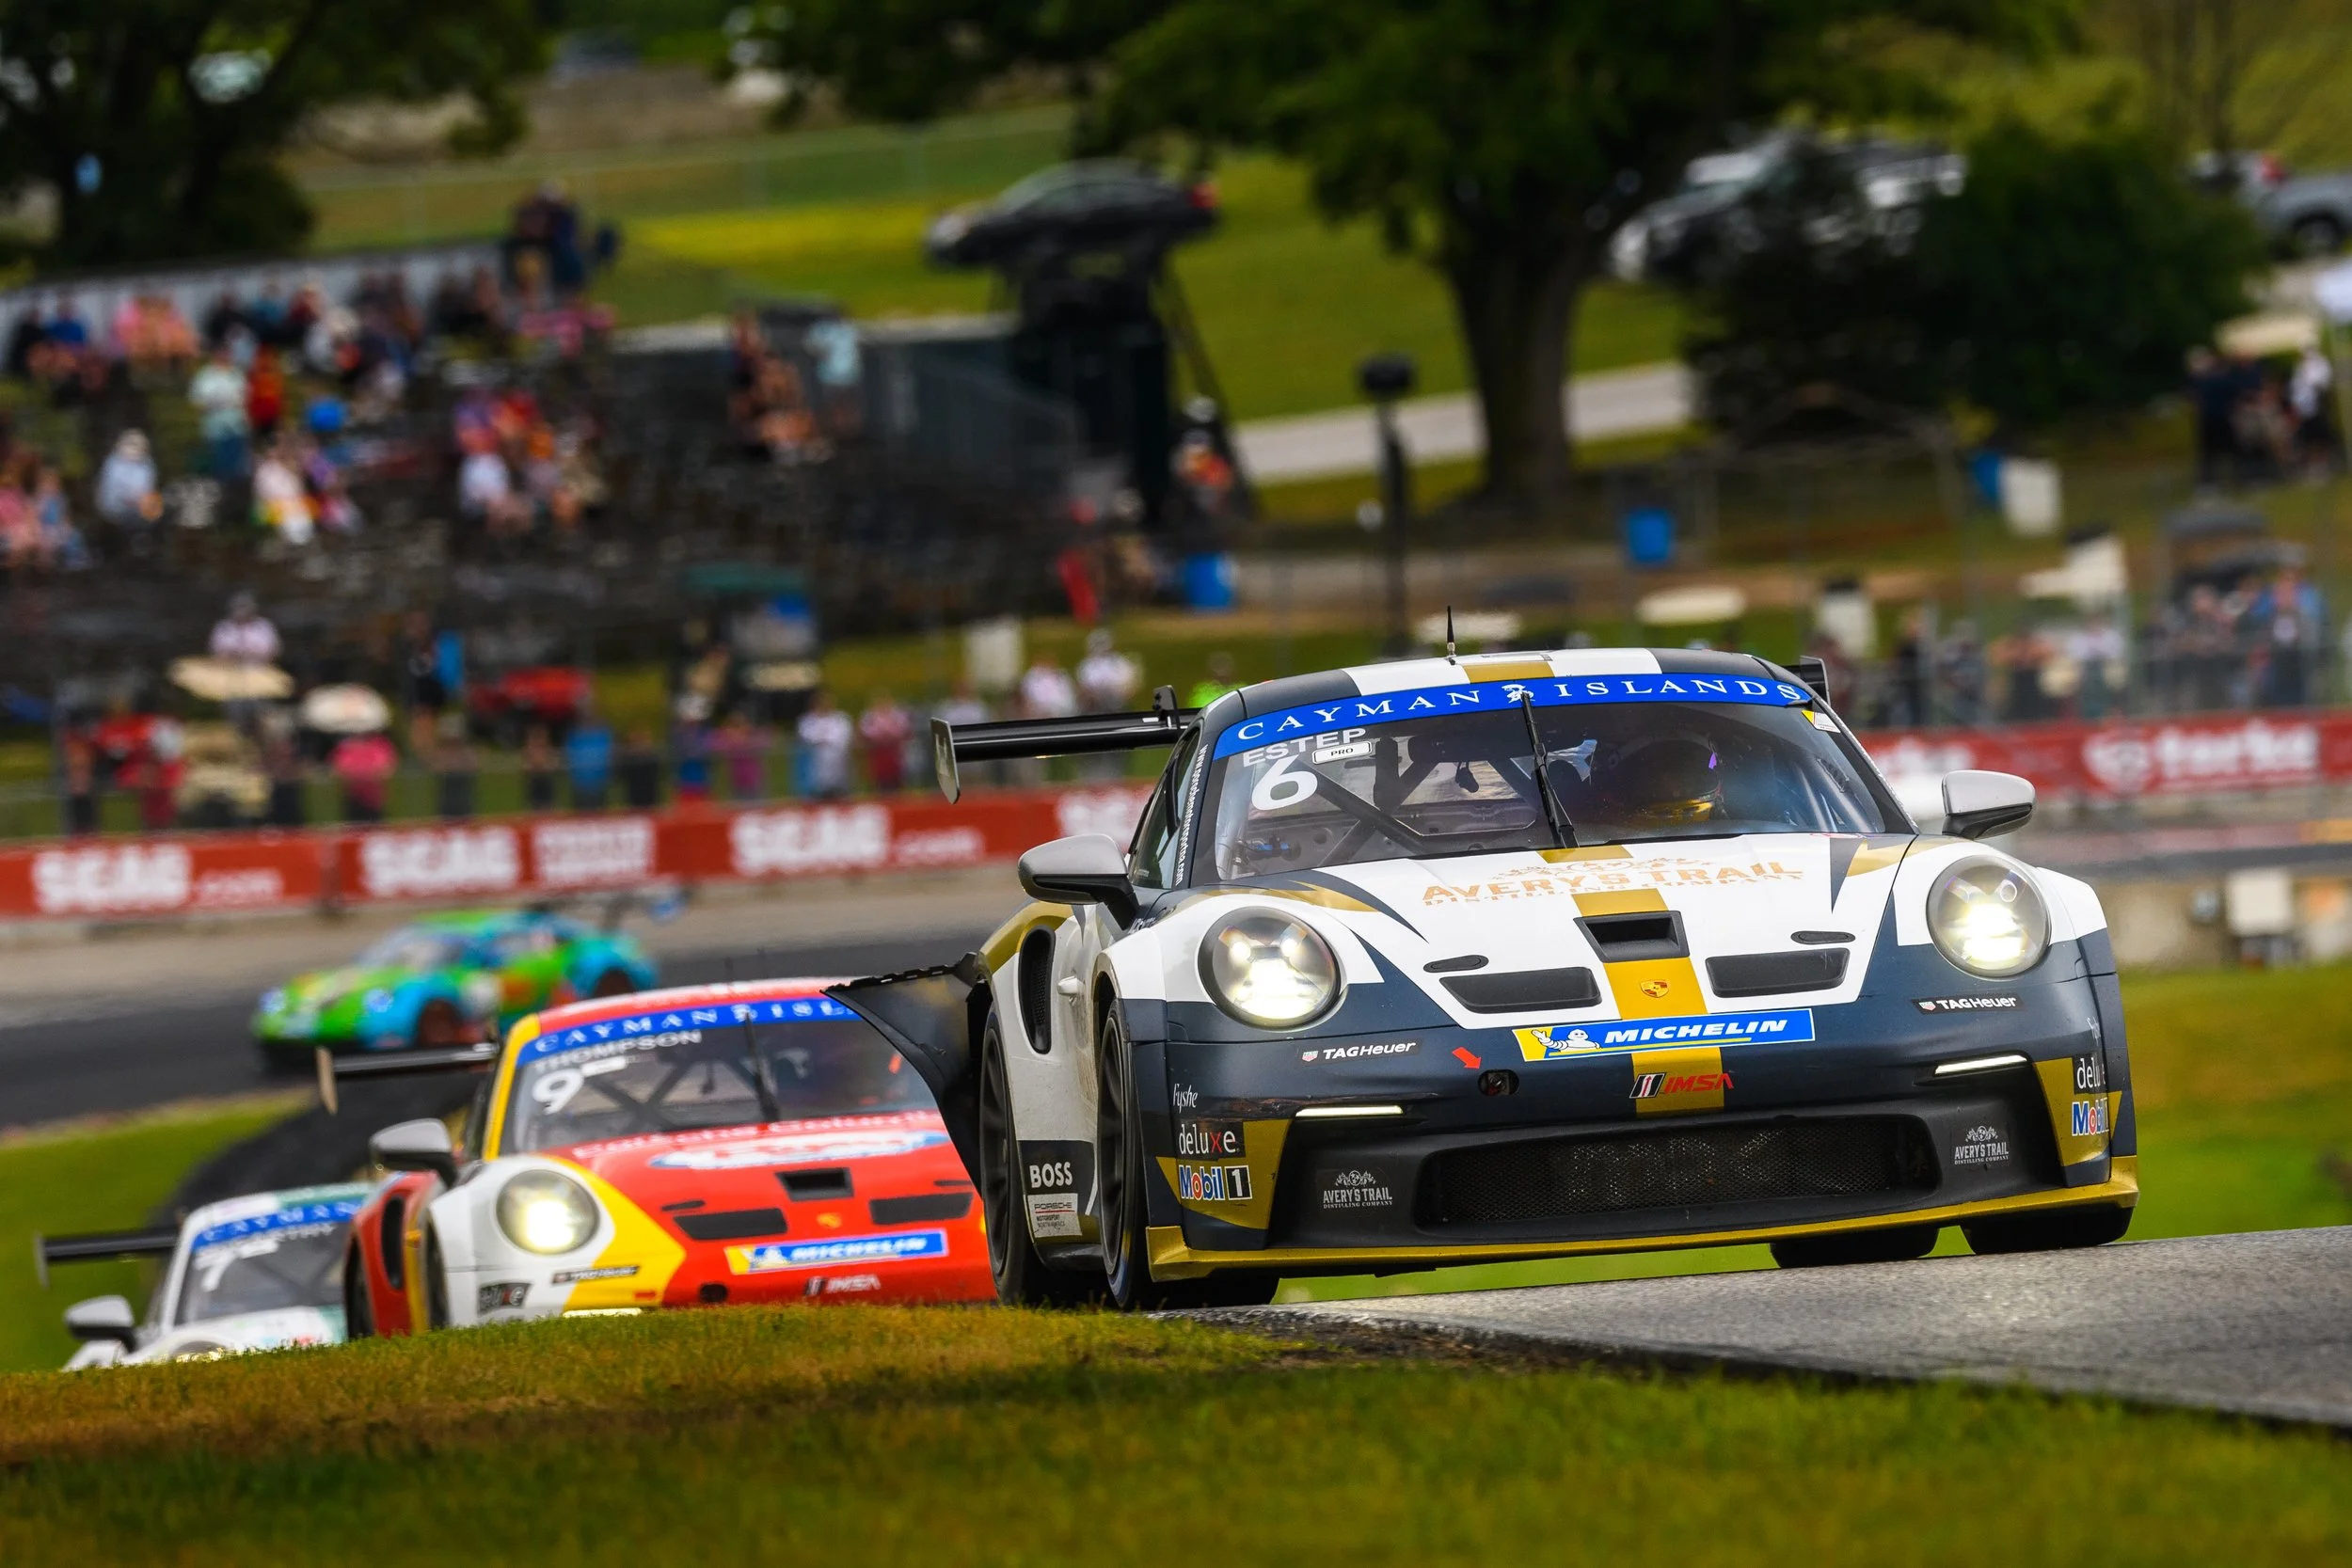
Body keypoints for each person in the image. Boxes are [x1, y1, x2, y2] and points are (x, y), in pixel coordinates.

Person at [2250, 565, 2326, 708]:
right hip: (2277, 676)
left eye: (2288, 594)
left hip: (2299, 675)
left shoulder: (2304, 618)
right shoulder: (2269, 619)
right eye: (2280, 594)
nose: (2283, 598)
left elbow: (2315, 643)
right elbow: (2261, 645)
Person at [189, 343, 250, 480]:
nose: (224, 356)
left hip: (236, 425)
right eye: (221, 353)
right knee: (218, 463)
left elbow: (244, 399)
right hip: (214, 425)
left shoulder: (237, 374)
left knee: (237, 465)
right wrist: (216, 404)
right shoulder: (205, 375)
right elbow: (198, 401)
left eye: (226, 353)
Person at [95, 430, 162, 537]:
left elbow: (149, 487)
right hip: (116, 508)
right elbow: (113, 492)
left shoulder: (147, 463)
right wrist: (134, 499)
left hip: (141, 507)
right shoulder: (113, 463)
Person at [796, 689, 853, 800]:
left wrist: (824, 740)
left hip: (838, 766)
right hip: (815, 769)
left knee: (840, 796)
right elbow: (807, 737)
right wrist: (823, 739)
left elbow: (843, 737)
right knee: (817, 796)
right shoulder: (807, 721)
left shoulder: (841, 719)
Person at [331, 729, 397, 823]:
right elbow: (338, 770)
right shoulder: (346, 747)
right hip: (352, 799)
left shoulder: (379, 745)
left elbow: (388, 768)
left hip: (375, 800)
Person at [857, 692, 913, 795]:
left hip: (895, 755)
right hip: (877, 754)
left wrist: (890, 734)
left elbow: (905, 731)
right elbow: (864, 733)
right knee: (879, 783)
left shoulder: (898, 715)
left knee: (898, 783)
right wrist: (880, 735)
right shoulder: (869, 716)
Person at [565, 711, 614, 810]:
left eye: (591, 718)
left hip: (600, 783)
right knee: (581, 815)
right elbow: (568, 757)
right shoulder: (574, 737)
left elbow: (610, 755)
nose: (588, 721)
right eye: (585, 718)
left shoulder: (603, 736)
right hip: (580, 784)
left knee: (600, 814)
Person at [618, 727, 665, 809]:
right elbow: (621, 775)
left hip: (650, 797)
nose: (638, 745)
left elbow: (658, 773)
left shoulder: (652, 757)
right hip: (633, 797)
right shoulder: (628, 759)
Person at [522, 725, 561, 813]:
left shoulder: (549, 749)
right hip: (535, 779)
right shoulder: (530, 749)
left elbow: (554, 764)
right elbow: (526, 767)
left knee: (548, 805)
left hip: (545, 779)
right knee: (534, 806)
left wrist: (544, 766)